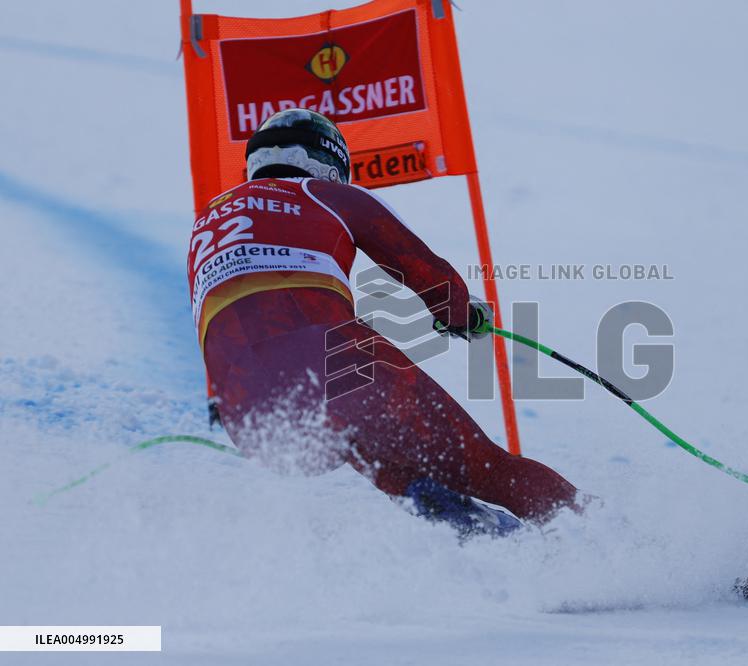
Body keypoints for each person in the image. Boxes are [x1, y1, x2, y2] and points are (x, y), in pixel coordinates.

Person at [187, 109, 579, 531]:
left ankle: (504, 549)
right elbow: (425, 272)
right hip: (333, 363)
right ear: (325, 162)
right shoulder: (320, 192)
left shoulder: (203, 226)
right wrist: (463, 316)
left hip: (248, 411)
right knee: (484, 467)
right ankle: (608, 537)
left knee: (400, 470)